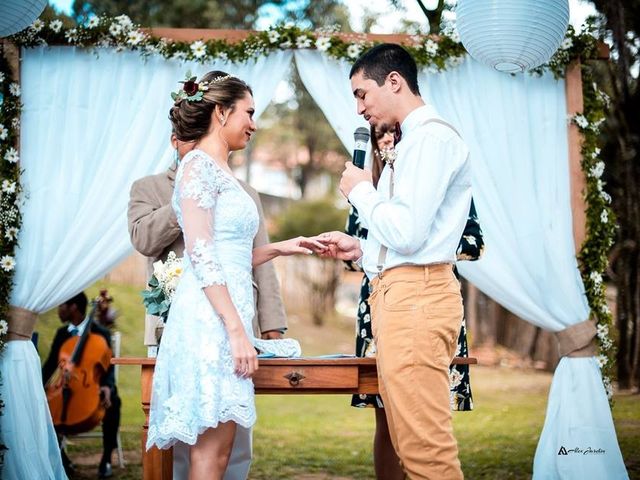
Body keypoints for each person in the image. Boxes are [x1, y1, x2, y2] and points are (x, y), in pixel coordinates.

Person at [144, 70, 324, 479]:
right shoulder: (198, 168)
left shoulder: (221, 171)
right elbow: (202, 254)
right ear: (222, 113)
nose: (254, 123)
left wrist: (280, 247)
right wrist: (236, 330)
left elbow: (228, 253)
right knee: (208, 457)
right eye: (249, 112)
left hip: (224, 321)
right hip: (212, 324)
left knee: (220, 455)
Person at [316, 44, 472, 479]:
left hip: (417, 298)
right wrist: (361, 250)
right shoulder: (414, 141)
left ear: (395, 82)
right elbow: (405, 235)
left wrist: (361, 190)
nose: (359, 107)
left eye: (362, 93)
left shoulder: (431, 139)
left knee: (426, 451)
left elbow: (408, 233)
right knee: (407, 444)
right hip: (400, 293)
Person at [128, 128, 287, 480]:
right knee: (185, 446)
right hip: (181, 323)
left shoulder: (243, 191)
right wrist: (188, 200)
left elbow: (259, 267)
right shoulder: (150, 187)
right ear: (175, 141)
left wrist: (273, 327)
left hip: (234, 326)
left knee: (230, 447)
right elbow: (143, 238)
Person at [346, 124, 483, 479]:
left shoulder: (429, 179)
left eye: (393, 136)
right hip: (377, 298)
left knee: (425, 426)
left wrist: (430, 245)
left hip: (421, 294)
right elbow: (360, 247)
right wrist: (360, 247)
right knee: (389, 416)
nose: (387, 142)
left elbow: (471, 242)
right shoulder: (369, 190)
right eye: (380, 138)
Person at [42, 292, 121, 478]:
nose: (58, 310)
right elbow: (51, 364)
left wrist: (107, 386)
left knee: (113, 402)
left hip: (94, 386)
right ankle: (61, 459)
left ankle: (107, 458)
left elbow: (108, 367)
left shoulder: (101, 333)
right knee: (43, 408)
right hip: (65, 385)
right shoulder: (62, 334)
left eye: (61, 305)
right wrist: (37, 387)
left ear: (73, 307)